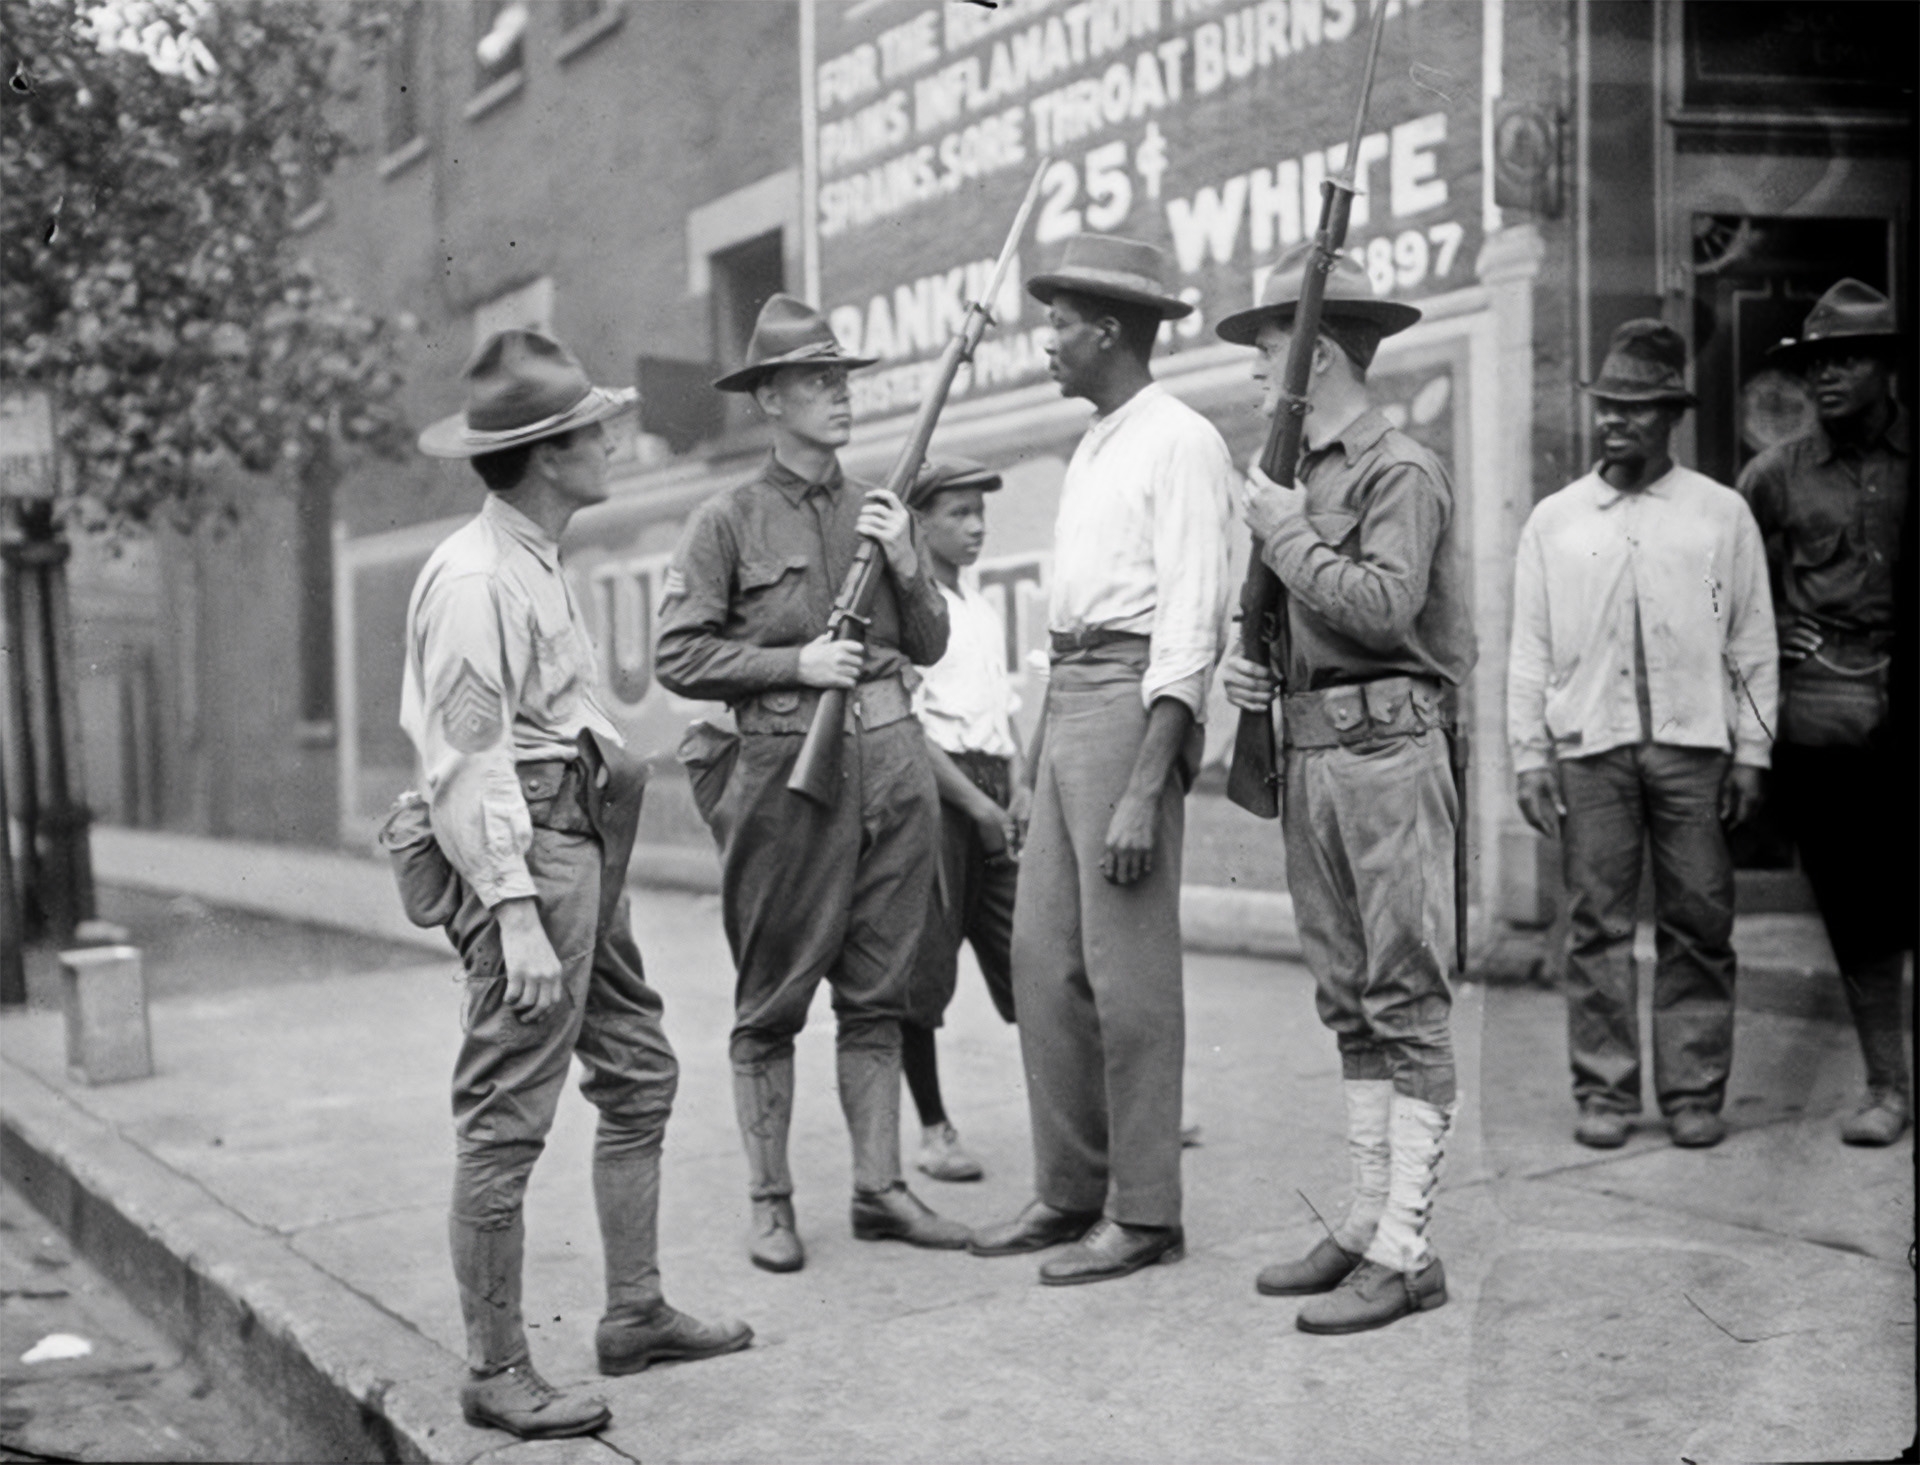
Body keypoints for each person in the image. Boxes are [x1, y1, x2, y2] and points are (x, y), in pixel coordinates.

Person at [395, 330, 749, 1442]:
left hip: (577, 845)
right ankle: (498, 1369)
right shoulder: (472, 578)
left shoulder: (532, 555)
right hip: (532, 861)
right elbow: (466, 757)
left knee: (638, 1072)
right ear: (550, 453)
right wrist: (513, 913)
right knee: (505, 1117)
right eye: (597, 429)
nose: (615, 439)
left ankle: (634, 1311)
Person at [654, 294, 968, 1275]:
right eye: (816, 383)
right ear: (770, 402)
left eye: (842, 380)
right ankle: (771, 1199)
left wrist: (910, 563)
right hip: (788, 774)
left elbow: (929, 643)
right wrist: (794, 666)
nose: (838, 396)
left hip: (891, 761)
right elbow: (678, 654)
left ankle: (878, 1190)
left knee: (880, 990)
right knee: (773, 995)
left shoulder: (882, 504)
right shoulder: (728, 520)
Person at [1218, 246, 1476, 1335]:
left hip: (1387, 755)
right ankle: (1370, 1222)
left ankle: (1409, 1249)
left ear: (1316, 354)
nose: (1254, 377)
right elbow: (1316, 627)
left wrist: (1278, 531)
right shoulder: (1311, 476)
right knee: (1348, 995)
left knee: (1405, 996)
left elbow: (1382, 608)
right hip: (1318, 751)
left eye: (1268, 353)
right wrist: (1257, 667)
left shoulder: (1395, 470)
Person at [970, 235, 1234, 1286]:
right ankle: (1071, 1186)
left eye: (1061, 324)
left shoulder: (1182, 441)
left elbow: (1190, 622)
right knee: (1042, 962)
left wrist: (1144, 783)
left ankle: (1145, 1211)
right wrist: (1036, 757)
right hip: (1071, 699)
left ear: (1112, 331)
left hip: (1134, 708)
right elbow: (1067, 625)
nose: (1048, 341)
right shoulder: (1095, 443)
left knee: (1129, 981)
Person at [1507, 320, 1776, 1153]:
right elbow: (1532, 649)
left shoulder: (1718, 512)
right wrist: (1528, 754)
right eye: (1608, 406)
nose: (1616, 421)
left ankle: (1694, 1090)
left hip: (1694, 749)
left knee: (1700, 918)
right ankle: (1606, 1092)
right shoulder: (1555, 520)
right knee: (1596, 924)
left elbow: (1751, 639)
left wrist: (1753, 752)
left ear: (1671, 416)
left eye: (1636, 407)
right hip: (1592, 749)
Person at [1738, 279, 1913, 1146]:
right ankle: (1887, 1087)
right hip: (1827, 717)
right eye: (1814, 365)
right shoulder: (1776, 474)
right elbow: (1722, 583)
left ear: (1887, 365)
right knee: (1861, 909)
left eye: (1846, 358)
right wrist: (1776, 625)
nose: (1826, 378)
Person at [901, 457, 1025, 1183]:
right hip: (940, 797)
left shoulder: (980, 608)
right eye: (958, 513)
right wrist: (976, 806)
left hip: (992, 790)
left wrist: (1012, 793)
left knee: (1035, 959)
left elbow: (1001, 713)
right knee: (923, 966)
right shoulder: (915, 611)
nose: (975, 526)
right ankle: (934, 1126)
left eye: (981, 512)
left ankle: (1095, 1106)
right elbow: (912, 729)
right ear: (919, 522)